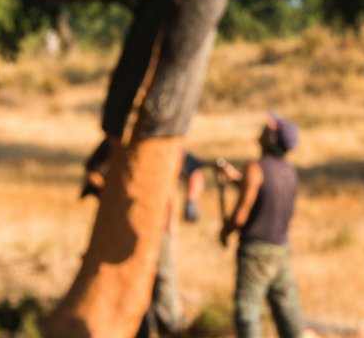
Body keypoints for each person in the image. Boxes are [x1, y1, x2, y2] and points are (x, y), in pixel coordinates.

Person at [81, 139, 206, 336]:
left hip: (160, 228)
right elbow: (93, 175)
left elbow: (195, 173)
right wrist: (111, 199)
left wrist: (192, 201)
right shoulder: (115, 142)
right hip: (119, 228)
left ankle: (169, 326)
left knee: (163, 276)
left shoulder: (165, 143)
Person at [215, 112, 304, 338]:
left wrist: (225, 231)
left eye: (268, 129)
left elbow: (240, 216)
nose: (262, 130)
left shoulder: (256, 168)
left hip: (256, 253)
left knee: (248, 313)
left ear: (272, 139)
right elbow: (263, 192)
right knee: (288, 313)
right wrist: (235, 177)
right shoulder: (288, 172)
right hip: (281, 250)